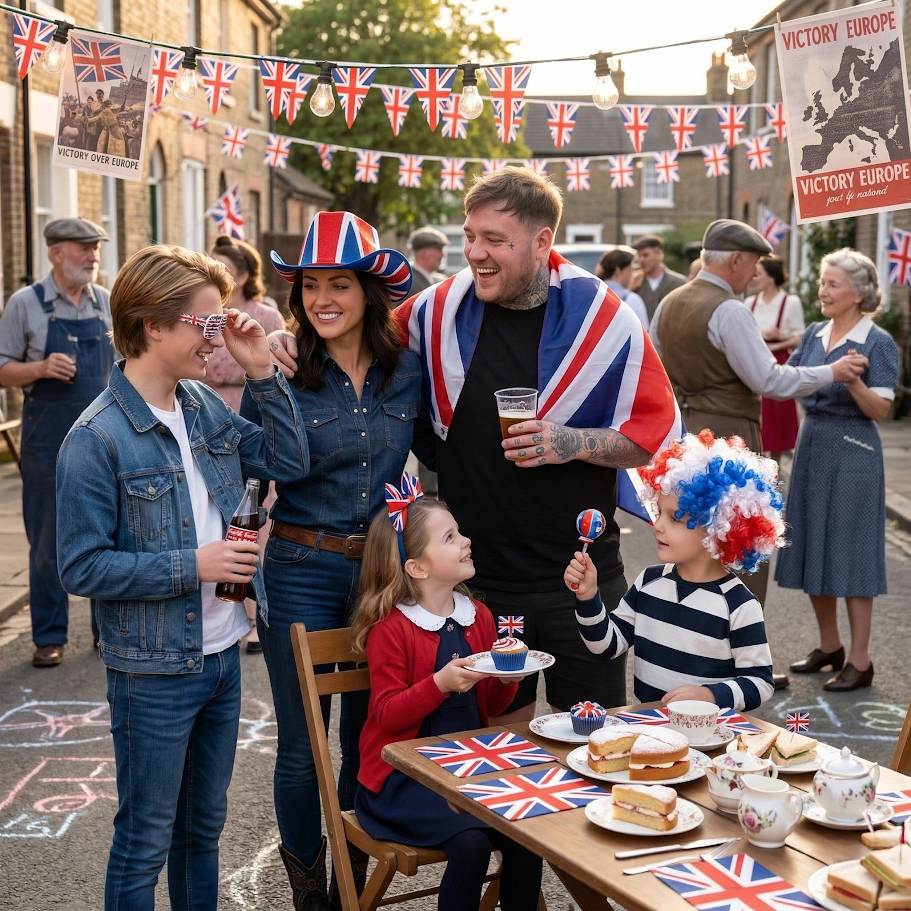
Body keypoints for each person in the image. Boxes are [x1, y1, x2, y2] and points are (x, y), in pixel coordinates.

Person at [273, 169, 683, 724]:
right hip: (477, 586)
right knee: (494, 747)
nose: (476, 253)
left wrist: (569, 441)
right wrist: (286, 339)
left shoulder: (604, 318)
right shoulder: (434, 312)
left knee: (589, 737)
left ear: (542, 242)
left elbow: (649, 437)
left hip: (580, 580)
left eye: (496, 240)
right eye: (470, 236)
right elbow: (349, 332)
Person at [54, 245, 307, 910]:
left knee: (202, 831)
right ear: (152, 326)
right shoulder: (96, 437)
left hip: (222, 655)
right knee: (144, 840)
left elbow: (287, 459)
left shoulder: (199, 403)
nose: (217, 336)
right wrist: (191, 564)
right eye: (206, 324)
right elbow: (80, 566)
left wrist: (260, 374)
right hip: (154, 670)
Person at [243, 211, 423, 909]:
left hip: (381, 573)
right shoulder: (285, 369)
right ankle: (310, 889)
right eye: (310, 284)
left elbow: (438, 459)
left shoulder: (406, 370)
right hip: (300, 567)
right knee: (300, 744)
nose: (322, 298)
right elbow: (255, 470)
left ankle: (353, 877)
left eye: (339, 284)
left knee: (366, 731)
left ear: (368, 292)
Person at [650, 219, 867, 646]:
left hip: (686, 438)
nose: (754, 274)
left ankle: (690, 646)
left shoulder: (669, 302)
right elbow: (770, 381)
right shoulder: (729, 309)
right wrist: (833, 371)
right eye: (752, 264)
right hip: (731, 439)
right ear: (734, 260)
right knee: (741, 546)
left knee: (690, 544)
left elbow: (657, 371)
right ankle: (740, 657)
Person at [351, 476, 543, 911]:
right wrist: (437, 684)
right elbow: (386, 716)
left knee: (530, 833)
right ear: (417, 567)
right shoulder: (392, 630)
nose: (466, 540)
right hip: (403, 781)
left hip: (468, 769)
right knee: (471, 843)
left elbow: (488, 708)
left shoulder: (479, 617)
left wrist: (504, 681)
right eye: (450, 537)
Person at [567, 430, 780, 711]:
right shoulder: (649, 583)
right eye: (660, 512)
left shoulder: (738, 606)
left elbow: (760, 683)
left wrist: (711, 695)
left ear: (720, 529)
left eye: (677, 518)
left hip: (706, 741)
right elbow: (605, 646)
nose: (658, 526)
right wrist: (588, 597)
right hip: (649, 732)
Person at [776, 249, 899, 693]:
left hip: (854, 451)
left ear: (859, 293)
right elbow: (786, 380)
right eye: (823, 282)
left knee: (850, 551)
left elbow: (881, 410)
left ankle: (861, 660)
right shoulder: (813, 333)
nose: (822, 291)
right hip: (811, 445)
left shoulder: (878, 342)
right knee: (813, 544)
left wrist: (852, 381)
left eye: (832, 284)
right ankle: (830, 646)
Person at [0, 217, 114, 667]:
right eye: (83, 248)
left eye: (95, 247)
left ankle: (108, 631)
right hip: (48, 439)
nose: (92, 256)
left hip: (107, 438)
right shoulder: (25, 304)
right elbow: (3, 367)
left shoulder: (105, 302)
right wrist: (41, 368)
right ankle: (49, 635)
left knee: (111, 535)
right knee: (48, 541)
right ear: (55, 253)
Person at [204, 235, 286, 655]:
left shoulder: (265, 315)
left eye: (224, 266)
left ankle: (254, 614)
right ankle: (224, 597)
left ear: (245, 274)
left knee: (257, 510)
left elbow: (275, 371)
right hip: (211, 410)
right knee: (220, 508)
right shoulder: (209, 318)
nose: (218, 272)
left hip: (248, 407)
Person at [745, 255, 806, 461]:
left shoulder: (790, 302)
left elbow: (800, 337)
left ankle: (776, 467)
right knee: (758, 418)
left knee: (778, 420)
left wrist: (781, 338)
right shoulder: (749, 302)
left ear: (771, 277)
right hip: (754, 363)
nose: (754, 277)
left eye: (759, 273)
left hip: (779, 361)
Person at [629, 233, 686, 322]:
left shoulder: (679, 283)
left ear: (659, 254)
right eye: (639, 256)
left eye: (645, 255)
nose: (641, 260)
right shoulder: (633, 283)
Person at [595, 246, 648, 327]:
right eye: (630, 269)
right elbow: (643, 333)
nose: (632, 274)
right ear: (618, 270)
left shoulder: (593, 293)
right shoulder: (632, 299)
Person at [407, 226, 448, 295]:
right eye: (438, 249)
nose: (443, 254)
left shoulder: (440, 280)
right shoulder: (407, 282)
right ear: (424, 252)